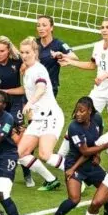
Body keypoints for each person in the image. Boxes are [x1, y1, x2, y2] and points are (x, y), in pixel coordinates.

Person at [42, 98, 108, 215]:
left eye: (81, 111)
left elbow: (97, 140)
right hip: (74, 164)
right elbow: (84, 151)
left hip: (91, 164)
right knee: (74, 200)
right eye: (77, 110)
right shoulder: (74, 127)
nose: (77, 114)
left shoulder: (97, 119)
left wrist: (97, 155)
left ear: (90, 111)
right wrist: (107, 145)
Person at [14, 38, 64, 192]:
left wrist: (30, 103)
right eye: (22, 52)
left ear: (35, 52)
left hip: (51, 117)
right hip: (38, 119)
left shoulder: (38, 70)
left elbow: (41, 88)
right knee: (20, 154)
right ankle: (51, 180)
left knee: (45, 154)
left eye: (27, 52)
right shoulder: (28, 69)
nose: (24, 55)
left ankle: (79, 174)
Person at [56, 18, 108, 124]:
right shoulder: (98, 46)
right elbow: (92, 65)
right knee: (83, 118)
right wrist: (70, 61)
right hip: (100, 89)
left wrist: (105, 75)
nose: (104, 30)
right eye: (102, 27)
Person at [34, 15, 77, 99]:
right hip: (33, 84)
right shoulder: (33, 43)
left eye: (44, 25)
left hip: (49, 87)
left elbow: (74, 57)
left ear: (51, 28)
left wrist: (61, 54)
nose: (40, 28)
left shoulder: (59, 44)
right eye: (38, 25)